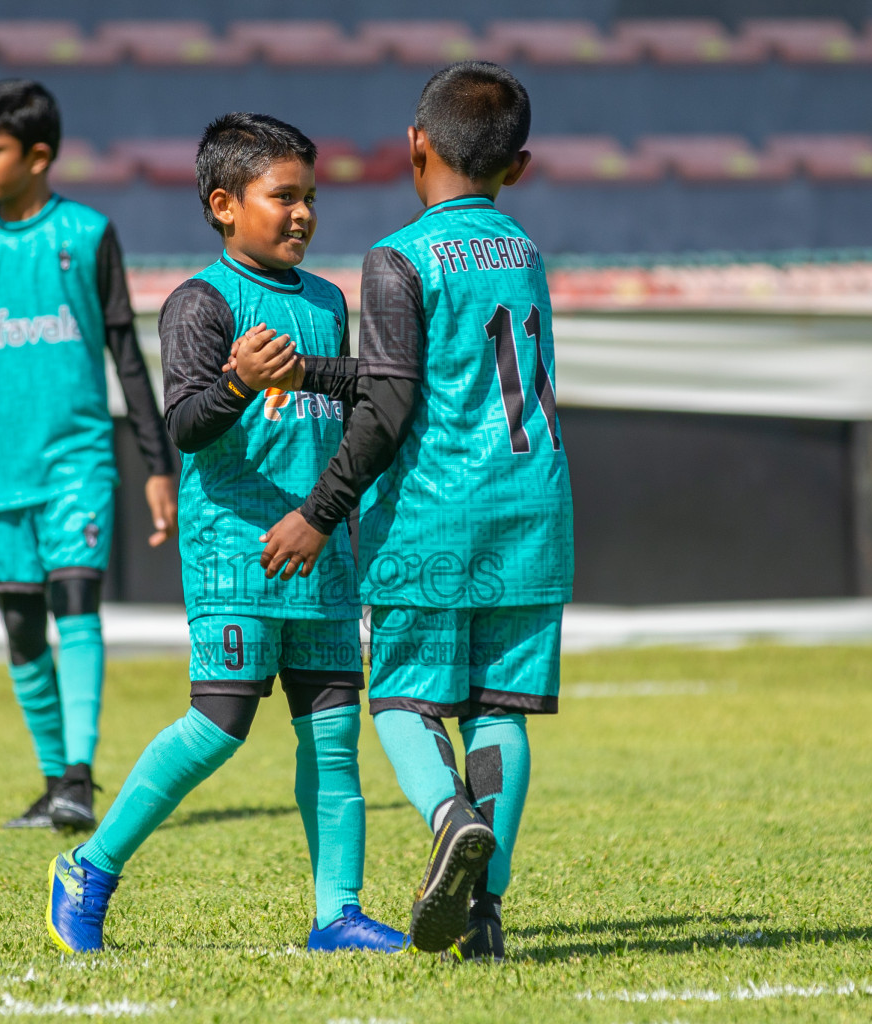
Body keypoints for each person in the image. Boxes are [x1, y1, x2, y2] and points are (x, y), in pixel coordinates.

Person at [46, 112, 406, 954]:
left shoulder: (326, 300)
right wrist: (240, 381)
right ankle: (89, 868)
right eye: (283, 197)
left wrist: (329, 506)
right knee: (217, 727)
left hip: (321, 552)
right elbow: (188, 424)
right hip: (236, 552)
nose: (303, 214)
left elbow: (352, 393)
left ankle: (338, 914)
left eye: (311, 197)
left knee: (334, 735)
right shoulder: (198, 303)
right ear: (223, 204)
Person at [257, 62, 574, 960]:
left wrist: (320, 512)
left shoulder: (399, 256)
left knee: (403, 701)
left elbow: (393, 405)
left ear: (415, 145)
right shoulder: (525, 252)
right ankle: (485, 915)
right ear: (517, 165)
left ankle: (447, 817)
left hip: (436, 516)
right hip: (536, 510)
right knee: (498, 709)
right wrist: (313, 370)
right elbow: (423, 376)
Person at [0, 79, 177, 832]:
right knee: (21, 625)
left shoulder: (87, 234)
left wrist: (158, 463)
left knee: (75, 598)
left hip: (76, 460)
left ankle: (80, 780)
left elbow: (127, 353)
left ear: (40, 155)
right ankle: (55, 778)